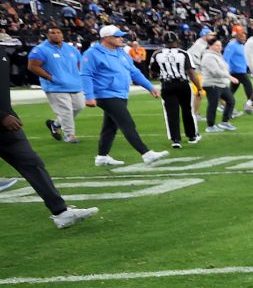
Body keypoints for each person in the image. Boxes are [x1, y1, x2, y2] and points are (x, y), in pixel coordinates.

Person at [0, 29, 97, 229]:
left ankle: (61, 212)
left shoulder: (3, 54)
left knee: (32, 162)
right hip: (4, 119)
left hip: (7, 124)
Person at [82, 25, 168, 167]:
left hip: (120, 93)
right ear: (106, 38)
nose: (121, 39)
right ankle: (146, 153)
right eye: (117, 36)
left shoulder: (121, 52)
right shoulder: (92, 53)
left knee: (110, 126)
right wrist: (89, 96)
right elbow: (86, 74)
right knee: (126, 122)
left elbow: (134, 72)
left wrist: (150, 86)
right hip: (105, 93)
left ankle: (102, 156)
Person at [27, 26, 85, 144]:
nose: (56, 35)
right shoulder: (40, 49)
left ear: (62, 35)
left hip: (74, 84)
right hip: (55, 86)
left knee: (79, 107)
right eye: (52, 33)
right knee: (66, 111)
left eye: (58, 32)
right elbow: (32, 66)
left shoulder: (71, 49)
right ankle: (70, 135)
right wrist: (50, 78)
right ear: (48, 35)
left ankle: (55, 124)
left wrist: (79, 77)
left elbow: (79, 63)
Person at [151, 34, 200, 149]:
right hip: (182, 83)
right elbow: (191, 72)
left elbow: (153, 72)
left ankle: (175, 139)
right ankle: (192, 135)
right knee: (187, 110)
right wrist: (198, 86)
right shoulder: (183, 53)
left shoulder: (157, 54)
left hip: (167, 84)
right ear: (177, 41)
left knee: (171, 113)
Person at [200, 40, 239, 132]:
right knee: (213, 104)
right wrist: (230, 77)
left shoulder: (217, 55)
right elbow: (215, 71)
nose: (220, 47)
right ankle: (210, 126)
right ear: (210, 46)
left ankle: (225, 122)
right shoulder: (208, 57)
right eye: (217, 45)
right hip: (212, 84)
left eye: (220, 45)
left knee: (231, 101)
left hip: (221, 84)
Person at [225, 27, 253, 116]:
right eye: (241, 36)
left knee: (231, 91)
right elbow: (226, 57)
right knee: (248, 85)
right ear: (236, 36)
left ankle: (228, 107)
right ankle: (250, 104)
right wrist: (226, 70)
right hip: (236, 71)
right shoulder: (232, 45)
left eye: (244, 37)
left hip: (241, 70)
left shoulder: (241, 45)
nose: (243, 38)